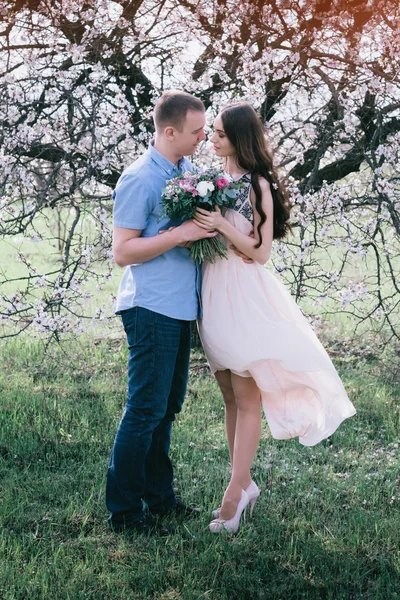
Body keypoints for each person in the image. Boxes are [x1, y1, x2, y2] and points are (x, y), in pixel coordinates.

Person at [194, 102, 356, 534]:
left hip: (245, 293)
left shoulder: (257, 185)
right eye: (212, 131)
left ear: (241, 138)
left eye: (222, 133)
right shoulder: (211, 182)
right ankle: (244, 484)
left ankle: (233, 496)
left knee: (248, 397)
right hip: (212, 291)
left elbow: (260, 252)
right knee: (229, 393)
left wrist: (222, 226)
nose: (213, 138)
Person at [106, 90, 218, 534]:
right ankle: (125, 511)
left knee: (166, 407)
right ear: (169, 132)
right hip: (150, 306)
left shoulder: (186, 170)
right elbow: (123, 251)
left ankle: (161, 499)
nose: (203, 137)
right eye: (196, 131)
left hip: (178, 306)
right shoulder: (140, 179)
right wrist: (180, 235)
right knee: (146, 407)